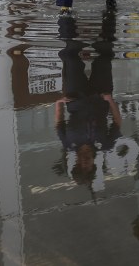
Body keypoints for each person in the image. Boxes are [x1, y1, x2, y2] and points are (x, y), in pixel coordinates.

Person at [54, 14, 121, 184]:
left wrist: (59, 104)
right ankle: (109, 16)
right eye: (88, 167)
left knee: (70, 57)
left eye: (80, 166)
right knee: (105, 55)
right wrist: (110, 100)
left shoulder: (68, 143)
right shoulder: (105, 144)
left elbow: (59, 124)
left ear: (75, 164)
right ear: (93, 165)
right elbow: (118, 123)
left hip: (75, 97)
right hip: (100, 96)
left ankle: (66, 17)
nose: (85, 163)